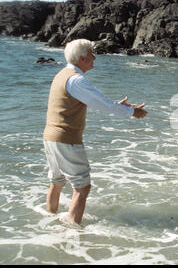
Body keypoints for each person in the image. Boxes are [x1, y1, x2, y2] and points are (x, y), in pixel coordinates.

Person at [43, 39, 148, 224]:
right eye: (91, 54)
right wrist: (133, 112)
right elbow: (102, 103)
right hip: (66, 139)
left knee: (57, 182)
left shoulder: (62, 74)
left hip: (51, 137)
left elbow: (95, 100)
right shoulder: (76, 79)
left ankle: (48, 220)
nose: (94, 57)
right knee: (82, 188)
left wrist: (118, 105)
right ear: (82, 58)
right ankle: (73, 233)